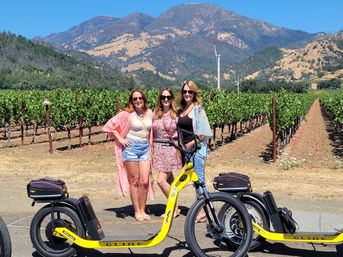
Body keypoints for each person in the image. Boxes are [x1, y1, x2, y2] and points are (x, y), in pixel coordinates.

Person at [102, 89, 154, 222]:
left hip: (145, 148)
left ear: (144, 99)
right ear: (131, 101)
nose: (138, 101)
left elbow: (152, 130)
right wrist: (120, 138)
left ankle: (143, 209)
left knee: (145, 181)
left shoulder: (149, 112)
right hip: (131, 148)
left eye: (140, 98)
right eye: (135, 99)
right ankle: (137, 211)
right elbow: (109, 126)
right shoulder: (126, 114)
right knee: (134, 181)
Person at [177, 80, 212, 222]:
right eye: (184, 91)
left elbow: (205, 132)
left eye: (190, 92)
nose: (187, 94)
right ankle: (204, 208)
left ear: (194, 93)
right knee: (194, 181)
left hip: (196, 150)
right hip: (185, 151)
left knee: (199, 180)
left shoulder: (198, 109)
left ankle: (203, 211)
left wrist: (192, 143)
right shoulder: (181, 110)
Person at [152, 88, 182, 218]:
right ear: (160, 99)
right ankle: (177, 207)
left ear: (171, 99)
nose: (165, 99)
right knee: (170, 182)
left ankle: (173, 208)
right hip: (158, 150)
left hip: (170, 149)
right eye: (163, 97)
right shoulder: (155, 114)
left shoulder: (176, 114)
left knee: (160, 180)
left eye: (168, 97)